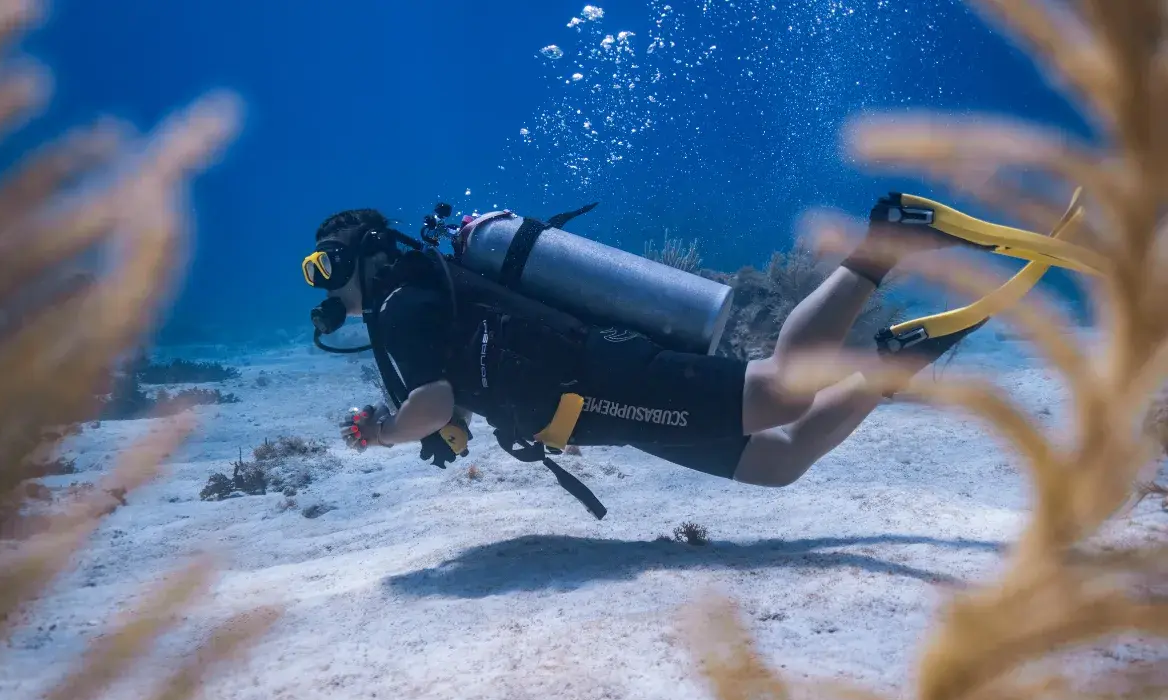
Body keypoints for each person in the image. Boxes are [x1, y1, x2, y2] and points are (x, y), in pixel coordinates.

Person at [302, 192, 1088, 513]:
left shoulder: (402, 302)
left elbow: (436, 403)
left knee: (780, 393)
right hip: (587, 406)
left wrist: (388, 432)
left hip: (597, 383)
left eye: (322, 269)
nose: (323, 290)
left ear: (356, 258)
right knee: (776, 461)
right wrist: (412, 418)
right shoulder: (415, 297)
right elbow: (452, 397)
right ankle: (892, 359)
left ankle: (884, 244)